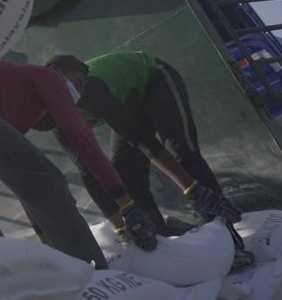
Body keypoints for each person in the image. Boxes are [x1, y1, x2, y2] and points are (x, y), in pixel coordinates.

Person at [0, 59, 161, 269]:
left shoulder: (7, 94)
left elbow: (25, 186)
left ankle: (2, 279)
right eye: (77, 83)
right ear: (59, 70)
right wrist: (127, 205)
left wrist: (45, 237)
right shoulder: (48, 77)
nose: (77, 92)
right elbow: (84, 142)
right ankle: (94, 274)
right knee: (51, 185)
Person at [46, 52, 254, 268]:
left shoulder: (92, 90)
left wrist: (193, 189)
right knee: (125, 177)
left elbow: (142, 140)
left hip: (154, 81)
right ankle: (159, 245)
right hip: (126, 104)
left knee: (183, 154)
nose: (77, 95)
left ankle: (231, 245)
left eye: (79, 86)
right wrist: (122, 230)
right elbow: (89, 172)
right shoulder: (58, 119)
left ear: (83, 77)